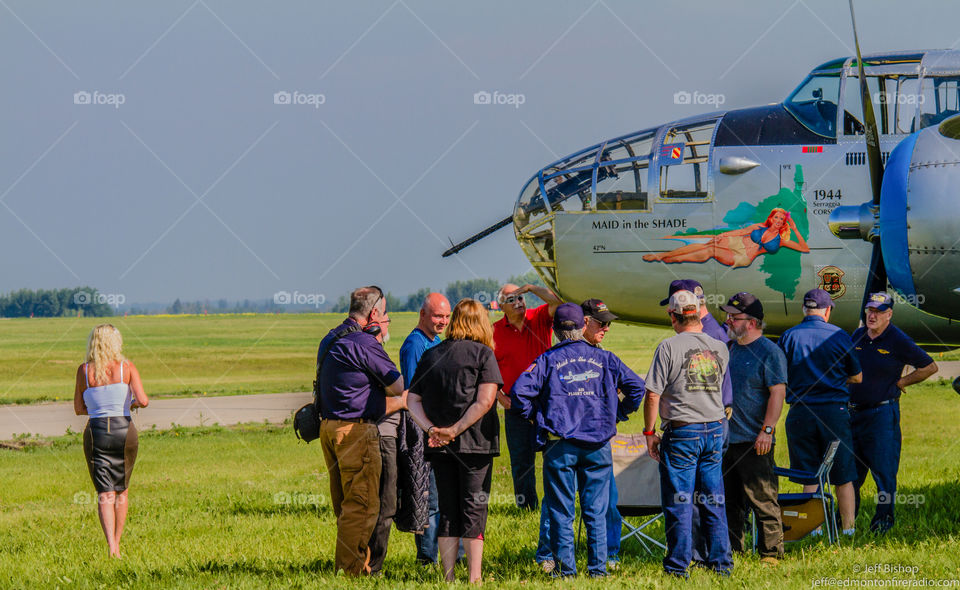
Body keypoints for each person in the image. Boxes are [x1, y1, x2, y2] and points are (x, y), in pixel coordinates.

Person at [512, 303, 645, 578]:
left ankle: (566, 571)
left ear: (555, 331)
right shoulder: (606, 359)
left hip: (560, 445)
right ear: (584, 326)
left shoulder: (547, 360)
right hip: (598, 445)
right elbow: (637, 387)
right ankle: (598, 570)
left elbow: (519, 393)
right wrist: (616, 413)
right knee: (596, 510)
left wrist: (537, 417)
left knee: (561, 510)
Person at [407, 299, 503, 584]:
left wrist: (432, 429)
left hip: (440, 446)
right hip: (475, 444)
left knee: (448, 508)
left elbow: (412, 398)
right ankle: (474, 577)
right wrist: (456, 429)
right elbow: (485, 401)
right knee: (474, 506)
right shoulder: (483, 355)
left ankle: (448, 576)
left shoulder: (431, 354)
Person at [317, 286, 405, 576]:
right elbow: (397, 386)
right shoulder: (364, 343)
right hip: (355, 432)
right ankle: (351, 570)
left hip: (328, 429)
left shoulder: (330, 337)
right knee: (362, 504)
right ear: (374, 313)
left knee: (344, 504)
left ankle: (354, 562)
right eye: (385, 312)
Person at [643, 290, 732, 578]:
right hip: (715, 428)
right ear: (698, 312)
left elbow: (653, 395)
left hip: (683, 430)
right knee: (713, 498)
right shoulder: (720, 346)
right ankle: (721, 563)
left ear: (673, 315)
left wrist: (649, 432)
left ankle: (678, 566)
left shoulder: (668, 347)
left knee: (680, 501)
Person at [850, 292, 937, 534]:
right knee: (851, 473)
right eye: (870, 310)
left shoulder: (897, 339)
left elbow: (929, 366)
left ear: (889, 314)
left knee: (884, 472)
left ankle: (883, 523)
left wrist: (902, 383)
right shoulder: (858, 335)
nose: (872, 315)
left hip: (881, 415)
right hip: (853, 414)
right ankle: (846, 522)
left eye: (879, 311)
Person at [778, 288, 862, 538]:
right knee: (844, 475)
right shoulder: (839, 336)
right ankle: (848, 529)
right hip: (833, 412)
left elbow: (780, 376)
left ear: (804, 309)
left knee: (808, 473)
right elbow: (857, 376)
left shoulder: (788, 336)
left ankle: (813, 528)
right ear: (827, 311)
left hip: (800, 412)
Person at [492, 282, 560, 570]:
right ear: (501, 306)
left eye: (520, 297)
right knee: (521, 460)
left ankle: (552, 505)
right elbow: (488, 368)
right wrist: (499, 397)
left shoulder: (540, 317)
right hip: (514, 407)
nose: (519, 302)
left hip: (546, 403)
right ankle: (526, 507)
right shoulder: (494, 331)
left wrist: (532, 287)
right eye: (511, 299)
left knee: (552, 457)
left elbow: (557, 301)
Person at [719, 292, 786, 565]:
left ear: (753, 322)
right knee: (730, 502)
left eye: (734, 317)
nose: (728, 321)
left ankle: (771, 553)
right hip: (726, 440)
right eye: (728, 316)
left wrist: (767, 431)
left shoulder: (770, 352)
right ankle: (734, 550)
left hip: (754, 440)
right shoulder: (729, 349)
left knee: (763, 499)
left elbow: (778, 393)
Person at [73, 324, 149, 557]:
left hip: (97, 433)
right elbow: (143, 400)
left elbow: (78, 408)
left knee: (104, 493)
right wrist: (130, 404)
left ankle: (111, 547)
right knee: (122, 490)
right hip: (124, 431)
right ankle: (119, 542)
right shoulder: (127, 367)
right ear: (116, 342)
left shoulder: (84, 371)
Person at [398, 292, 455, 565]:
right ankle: (426, 559)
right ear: (423, 314)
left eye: (446, 316)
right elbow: (411, 393)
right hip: (424, 433)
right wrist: (431, 429)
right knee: (428, 499)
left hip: (438, 431)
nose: (443, 321)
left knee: (444, 497)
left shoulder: (435, 341)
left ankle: (449, 555)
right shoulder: (415, 345)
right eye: (437, 316)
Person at [582, 298, 625, 570]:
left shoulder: (602, 353)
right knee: (557, 504)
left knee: (608, 503)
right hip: (569, 441)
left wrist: (615, 410)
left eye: (609, 323)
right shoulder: (566, 352)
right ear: (584, 321)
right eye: (602, 322)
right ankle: (548, 556)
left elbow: (629, 387)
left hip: (599, 440)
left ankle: (610, 554)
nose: (607, 328)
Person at [643, 207, 810, 267]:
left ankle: (669, 258)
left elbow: (804, 248)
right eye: (776, 217)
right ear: (771, 218)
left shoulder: (780, 241)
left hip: (743, 256)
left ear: (783, 223)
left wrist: (795, 229)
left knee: (710, 250)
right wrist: (722, 235)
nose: (778, 221)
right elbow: (739, 232)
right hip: (736, 242)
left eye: (782, 219)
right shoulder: (758, 226)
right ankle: (666, 256)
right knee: (709, 244)